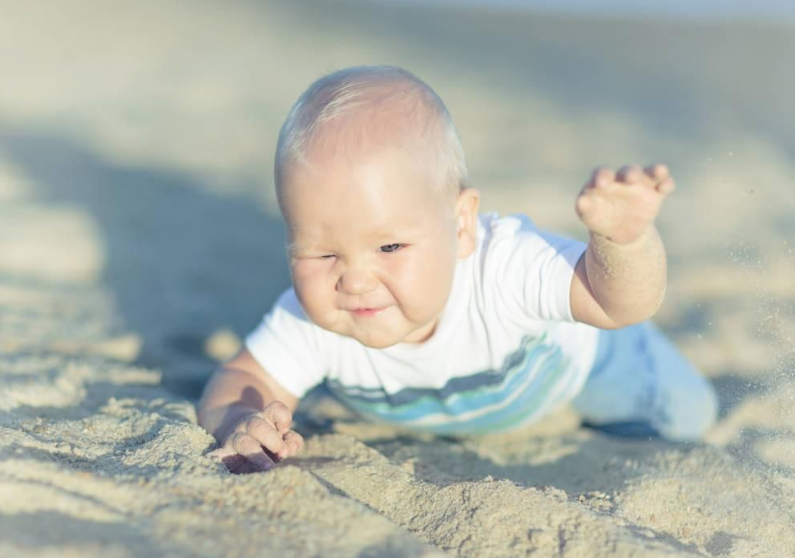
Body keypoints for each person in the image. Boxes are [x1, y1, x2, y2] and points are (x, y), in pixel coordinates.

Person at [197, 65, 718, 474]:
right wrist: (242, 421)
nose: (353, 280)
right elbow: (242, 376)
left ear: (462, 226)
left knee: (685, 416)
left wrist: (622, 243)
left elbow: (616, 303)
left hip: (572, 369)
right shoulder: (314, 321)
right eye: (323, 254)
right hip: (448, 406)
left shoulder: (505, 267)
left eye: (391, 246)